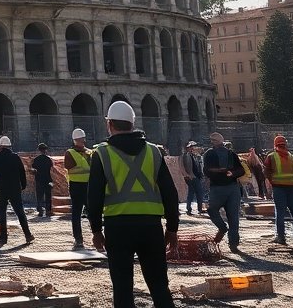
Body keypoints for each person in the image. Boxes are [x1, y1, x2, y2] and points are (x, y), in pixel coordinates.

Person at [86, 100, 178, 308]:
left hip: (117, 228)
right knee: (159, 286)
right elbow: (170, 193)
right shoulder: (154, 152)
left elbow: (94, 196)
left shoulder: (101, 154)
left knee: (122, 288)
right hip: (150, 226)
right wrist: (172, 228)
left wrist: (95, 230)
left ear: (109, 124)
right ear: (132, 124)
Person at [201, 131, 244, 253]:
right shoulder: (229, 154)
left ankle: (225, 232)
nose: (212, 142)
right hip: (230, 189)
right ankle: (233, 243)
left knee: (215, 210)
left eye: (213, 140)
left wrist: (226, 172)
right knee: (233, 217)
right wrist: (231, 173)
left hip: (220, 189)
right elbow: (241, 170)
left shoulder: (210, 154)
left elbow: (207, 171)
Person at [0, 136, 33, 245]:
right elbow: (22, 172)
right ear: (10, 146)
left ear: (0, 146)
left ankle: (3, 237)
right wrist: (23, 185)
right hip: (14, 189)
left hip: (1, 189)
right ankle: (28, 234)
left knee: (2, 213)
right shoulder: (15, 157)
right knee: (20, 212)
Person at [264, 134, 293, 245]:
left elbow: (266, 172)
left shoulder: (271, 156)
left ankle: (281, 237)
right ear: (285, 144)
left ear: (275, 145)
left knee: (280, 213)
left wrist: (269, 185)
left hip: (279, 187)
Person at [64, 128, 92, 248]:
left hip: (85, 185)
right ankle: (79, 239)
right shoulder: (71, 152)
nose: (81, 141)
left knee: (89, 212)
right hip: (78, 185)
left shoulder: (89, 152)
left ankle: (96, 235)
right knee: (78, 213)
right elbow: (68, 166)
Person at [179, 141, 205, 215]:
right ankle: (191, 208)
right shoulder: (185, 156)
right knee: (195, 192)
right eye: (190, 147)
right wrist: (186, 175)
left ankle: (196, 208)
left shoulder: (194, 156)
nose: (192, 148)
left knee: (196, 192)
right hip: (191, 177)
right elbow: (182, 167)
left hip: (195, 176)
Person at [31, 143, 54, 217]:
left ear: (39, 150)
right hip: (47, 179)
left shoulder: (36, 159)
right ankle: (48, 211)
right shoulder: (48, 159)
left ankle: (40, 211)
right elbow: (51, 170)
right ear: (45, 150)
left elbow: (33, 169)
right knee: (48, 195)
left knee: (39, 196)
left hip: (39, 180)